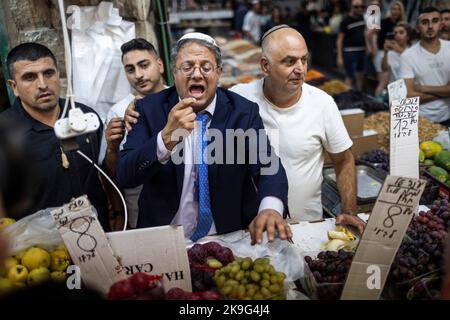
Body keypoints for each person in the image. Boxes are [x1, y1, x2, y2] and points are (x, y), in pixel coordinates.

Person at [117, 33, 291, 245]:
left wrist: (270, 208)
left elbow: (268, 166)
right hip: (165, 238)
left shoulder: (243, 113)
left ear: (219, 73)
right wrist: (165, 140)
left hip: (228, 237)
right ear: (174, 72)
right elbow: (125, 174)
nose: (196, 74)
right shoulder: (147, 109)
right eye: (187, 67)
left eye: (206, 67)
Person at [230, 26, 365, 234]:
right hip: (248, 229)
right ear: (265, 66)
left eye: (304, 59)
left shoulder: (322, 104)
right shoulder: (239, 99)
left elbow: (344, 160)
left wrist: (349, 210)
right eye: (290, 61)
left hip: (306, 227)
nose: (300, 68)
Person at [0, 43, 112, 231]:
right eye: (29, 77)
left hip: (98, 237)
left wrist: (116, 213)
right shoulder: (6, 133)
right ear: (14, 87)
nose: (42, 84)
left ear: (58, 74)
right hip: (40, 250)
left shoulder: (84, 117)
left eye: (48, 73)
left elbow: (105, 174)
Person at [104, 38, 166, 229]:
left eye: (144, 65)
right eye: (130, 69)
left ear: (160, 65)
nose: (138, 75)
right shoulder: (118, 111)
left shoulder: (179, 99)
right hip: (139, 211)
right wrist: (112, 148)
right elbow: (113, 173)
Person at [399, 7, 450, 125]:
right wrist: (444, 92)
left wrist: (423, 88)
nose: (430, 26)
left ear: (441, 24)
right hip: (421, 119)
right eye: (425, 22)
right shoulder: (407, 56)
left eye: (435, 21)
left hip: (448, 114)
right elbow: (409, 96)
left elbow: (415, 92)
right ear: (417, 27)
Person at [367, 1, 406, 98]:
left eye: (398, 9)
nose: (396, 11)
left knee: (393, 82)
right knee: (383, 82)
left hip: (396, 54)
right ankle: (377, 103)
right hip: (382, 54)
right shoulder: (384, 22)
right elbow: (369, 33)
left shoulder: (402, 23)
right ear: (390, 10)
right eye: (393, 9)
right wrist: (372, 48)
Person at [336, 0, 367, 91]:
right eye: (356, 7)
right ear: (351, 7)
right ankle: (347, 98)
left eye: (361, 7)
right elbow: (340, 39)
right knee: (349, 76)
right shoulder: (345, 21)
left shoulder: (363, 18)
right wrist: (339, 56)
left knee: (360, 75)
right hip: (349, 51)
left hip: (362, 50)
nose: (359, 9)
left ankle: (359, 95)